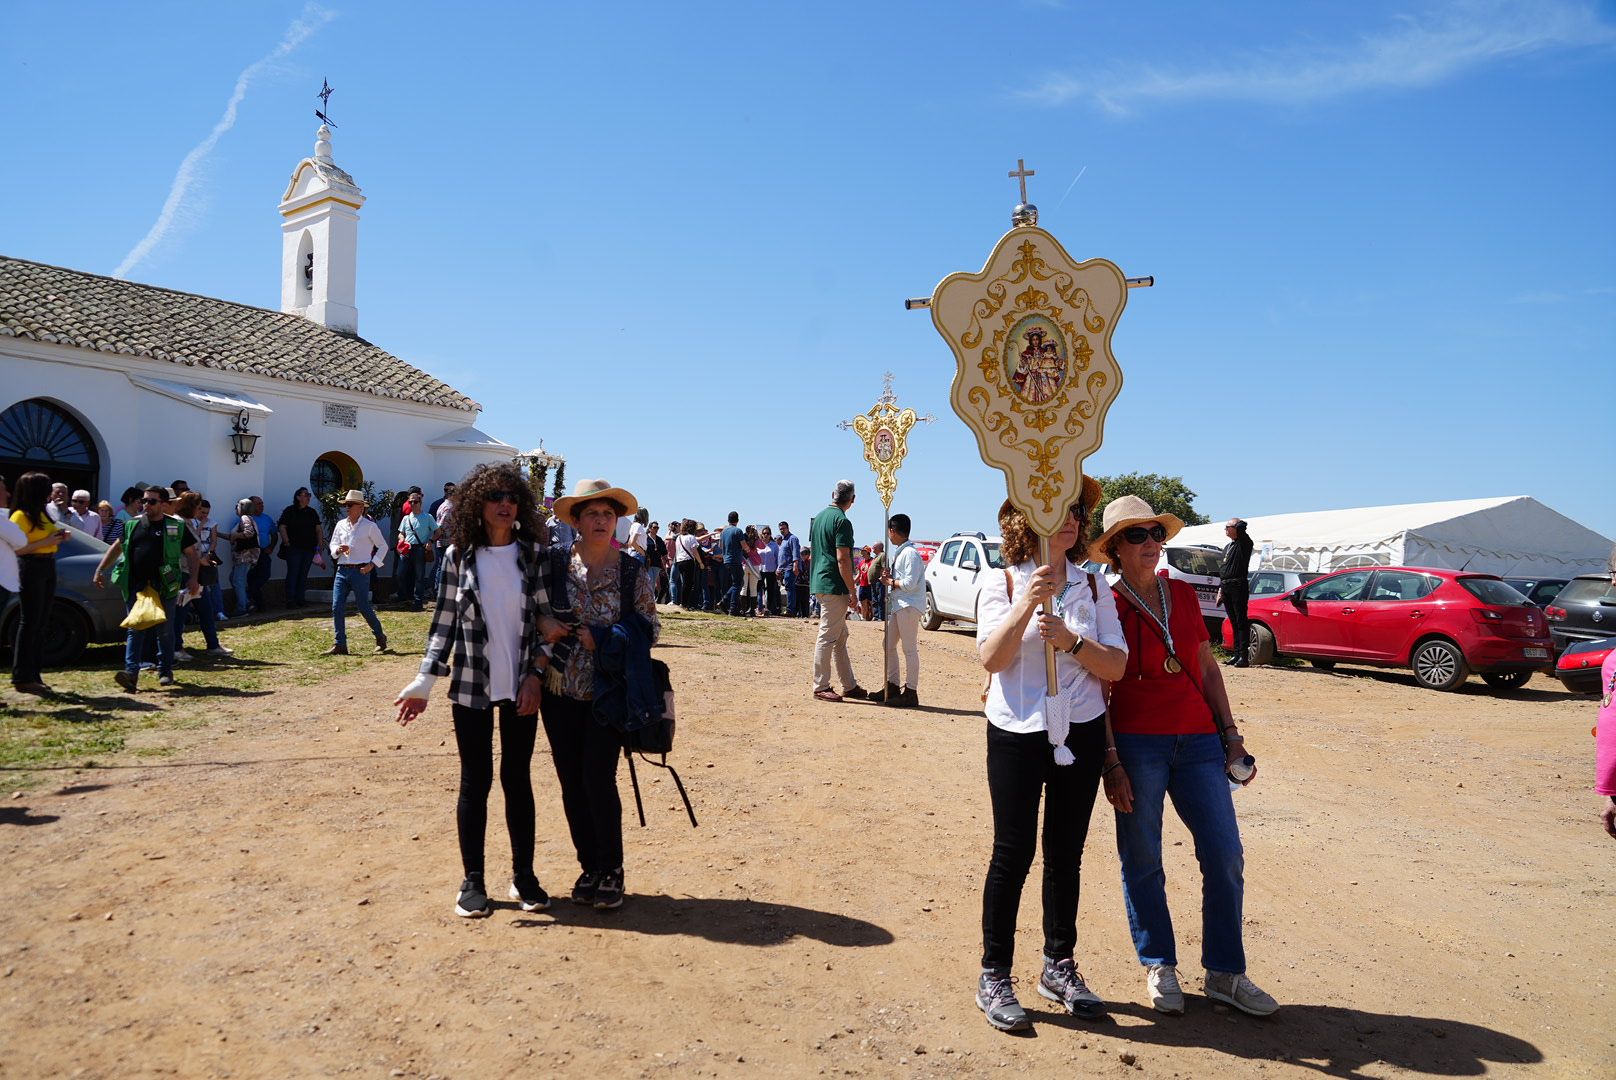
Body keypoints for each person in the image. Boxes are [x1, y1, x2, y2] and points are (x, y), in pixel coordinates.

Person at [1093, 495, 1278, 1018]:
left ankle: (1224, 973)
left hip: (1198, 740)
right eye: (1136, 536)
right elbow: (1097, 690)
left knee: (1225, 855)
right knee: (1144, 858)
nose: (1150, 543)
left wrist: (1231, 733)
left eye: (1155, 533)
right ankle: (1159, 964)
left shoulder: (1181, 593)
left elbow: (1206, 665)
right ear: (1114, 549)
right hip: (1136, 742)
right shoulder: (1105, 602)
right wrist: (1111, 759)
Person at [973, 483, 1126, 1032]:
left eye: (1076, 511)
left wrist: (1071, 642)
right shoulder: (1003, 580)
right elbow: (991, 659)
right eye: (1056, 508)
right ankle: (995, 974)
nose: (1069, 519)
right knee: (1011, 854)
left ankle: (1058, 965)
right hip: (1016, 730)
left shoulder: (1093, 586)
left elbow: (1116, 667)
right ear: (1027, 516)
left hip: (1079, 732)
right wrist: (1024, 605)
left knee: (1066, 852)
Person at [395, 463, 568, 917]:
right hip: (471, 684)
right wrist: (424, 680)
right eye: (495, 496)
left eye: (511, 497)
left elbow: (545, 624)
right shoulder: (458, 557)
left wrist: (535, 673)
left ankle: (523, 876)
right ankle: (472, 879)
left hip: (523, 687)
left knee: (518, 779)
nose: (505, 504)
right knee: (476, 781)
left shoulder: (533, 555)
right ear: (478, 504)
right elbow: (444, 625)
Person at [542, 478, 660, 911]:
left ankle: (611, 869)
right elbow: (534, 610)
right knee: (571, 783)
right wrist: (542, 626)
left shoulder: (631, 570)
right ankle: (588, 867)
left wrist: (608, 636)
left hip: (608, 692)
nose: (600, 520)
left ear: (617, 521)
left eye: (608, 514)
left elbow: (651, 626)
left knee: (598, 779)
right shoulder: (555, 564)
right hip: (558, 688)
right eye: (591, 513)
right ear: (575, 519)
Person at [94, 485, 202, 691]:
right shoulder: (132, 525)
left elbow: (191, 554)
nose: (146, 505)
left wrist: (194, 579)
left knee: (165, 631)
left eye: (151, 501)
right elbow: (116, 547)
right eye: (144, 501)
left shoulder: (175, 526)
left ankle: (165, 670)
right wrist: (100, 569)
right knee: (136, 628)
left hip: (165, 585)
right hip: (137, 585)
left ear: (163, 504)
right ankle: (131, 673)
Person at [7, 473, 72, 694]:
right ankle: (22, 676)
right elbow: (15, 548)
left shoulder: (42, 514)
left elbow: (49, 537)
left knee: (41, 622)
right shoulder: (19, 516)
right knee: (30, 622)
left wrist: (61, 537)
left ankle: (33, 673)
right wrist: (47, 541)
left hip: (46, 566)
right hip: (30, 567)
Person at [809, 480, 866, 702]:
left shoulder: (820, 517)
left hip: (822, 581)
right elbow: (843, 558)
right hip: (834, 584)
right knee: (828, 635)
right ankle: (820, 685)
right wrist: (853, 592)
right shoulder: (842, 521)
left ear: (833, 494)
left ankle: (849, 684)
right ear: (852, 499)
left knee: (839, 636)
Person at [325, 490, 389, 655]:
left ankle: (380, 636)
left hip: (360, 571)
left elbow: (383, 546)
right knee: (336, 606)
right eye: (346, 505)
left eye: (350, 505)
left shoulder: (369, 526)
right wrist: (337, 549)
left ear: (360, 507)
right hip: (342, 570)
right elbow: (332, 545)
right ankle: (340, 644)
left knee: (363, 607)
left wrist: (372, 565)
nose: (347, 507)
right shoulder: (340, 524)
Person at [172, 491, 229, 660]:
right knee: (180, 613)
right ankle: (176, 648)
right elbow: (184, 551)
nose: (200, 511)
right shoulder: (179, 523)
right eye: (198, 507)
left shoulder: (188, 522)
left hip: (194, 573)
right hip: (185, 574)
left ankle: (213, 644)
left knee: (206, 609)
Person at [876, 514, 926, 708]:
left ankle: (911, 691)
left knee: (909, 649)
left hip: (908, 605)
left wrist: (891, 582)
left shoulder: (910, 554)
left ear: (892, 531)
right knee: (888, 644)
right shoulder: (902, 552)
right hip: (900, 605)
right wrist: (890, 578)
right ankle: (892, 685)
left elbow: (909, 583)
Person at [277, 488, 326, 608]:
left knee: (303, 574)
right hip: (294, 548)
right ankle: (290, 600)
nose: (309, 497)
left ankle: (300, 599)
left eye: (309, 495)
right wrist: (286, 541)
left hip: (309, 549)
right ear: (298, 497)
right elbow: (282, 526)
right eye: (306, 495)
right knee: (293, 573)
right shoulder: (290, 510)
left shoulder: (312, 512)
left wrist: (320, 544)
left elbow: (318, 529)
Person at [1218, 518, 1254, 667]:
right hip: (1226, 585)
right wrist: (1220, 589)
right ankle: (1236, 653)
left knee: (1240, 621)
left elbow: (1242, 526)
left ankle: (1244, 657)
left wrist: (1237, 524)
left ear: (1236, 528)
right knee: (1233, 621)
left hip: (1238, 585)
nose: (1225, 529)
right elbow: (1224, 569)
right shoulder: (1228, 546)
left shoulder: (1244, 543)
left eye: (1228, 527)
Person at [395, 493, 438, 612]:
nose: (412, 504)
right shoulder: (406, 518)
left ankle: (418, 602)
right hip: (407, 549)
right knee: (400, 574)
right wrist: (401, 538)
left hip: (419, 549)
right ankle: (405, 597)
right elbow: (400, 532)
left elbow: (438, 531)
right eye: (410, 502)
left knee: (419, 577)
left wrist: (431, 541)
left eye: (415, 502)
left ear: (420, 503)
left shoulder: (428, 517)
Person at [221, 499, 258, 616]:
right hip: (245, 555)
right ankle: (246, 603)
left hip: (244, 555)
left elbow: (248, 533)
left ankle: (242, 609)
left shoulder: (244, 518)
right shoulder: (247, 519)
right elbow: (235, 537)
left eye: (236, 506)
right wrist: (216, 534)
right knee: (234, 578)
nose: (235, 508)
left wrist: (235, 535)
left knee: (238, 581)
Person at [245, 496, 277, 612]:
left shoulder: (267, 519)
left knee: (265, 575)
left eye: (262, 503)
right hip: (250, 553)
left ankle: (251, 594)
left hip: (263, 552)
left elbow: (274, 534)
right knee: (250, 577)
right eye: (258, 504)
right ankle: (258, 604)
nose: (262, 506)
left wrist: (271, 547)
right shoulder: (246, 519)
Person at [675, 517, 705, 612]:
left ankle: (683, 603)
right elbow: (694, 551)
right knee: (688, 584)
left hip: (679, 561)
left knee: (684, 583)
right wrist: (700, 562)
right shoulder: (691, 537)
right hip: (688, 561)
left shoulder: (678, 537)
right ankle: (685, 604)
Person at [720, 511, 746, 616]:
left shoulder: (723, 532)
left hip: (726, 560)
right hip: (735, 560)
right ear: (737, 520)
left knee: (735, 583)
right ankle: (733, 608)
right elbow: (744, 545)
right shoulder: (738, 531)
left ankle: (725, 601)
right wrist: (748, 550)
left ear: (728, 520)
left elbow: (721, 546)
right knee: (737, 584)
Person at [778, 521, 801, 617]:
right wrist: (778, 568)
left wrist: (796, 565)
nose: (782, 530)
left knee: (790, 588)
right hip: (783, 568)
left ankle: (791, 610)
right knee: (788, 588)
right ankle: (789, 610)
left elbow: (795, 552)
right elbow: (781, 556)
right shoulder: (783, 540)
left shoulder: (793, 538)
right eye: (780, 529)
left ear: (788, 528)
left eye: (784, 528)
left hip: (790, 567)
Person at [757, 525, 781, 616]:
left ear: (770, 534)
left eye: (767, 533)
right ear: (761, 534)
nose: (766, 535)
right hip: (760, 570)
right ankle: (759, 608)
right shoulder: (758, 545)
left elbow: (778, 558)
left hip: (771, 570)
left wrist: (778, 569)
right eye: (764, 533)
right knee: (759, 590)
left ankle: (769, 609)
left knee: (770, 590)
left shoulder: (774, 545)